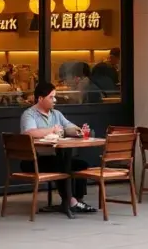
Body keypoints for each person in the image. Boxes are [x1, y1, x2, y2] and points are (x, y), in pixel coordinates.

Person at [19, 81, 96, 213]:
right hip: (34, 160)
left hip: (54, 157)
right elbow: (29, 133)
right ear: (40, 98)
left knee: (80, 165)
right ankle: (70, 201)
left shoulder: (56, 114)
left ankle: (78, 200)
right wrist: (52, 130)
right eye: (51, 97)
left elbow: (68, 126)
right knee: (62, 166)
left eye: (55, 97)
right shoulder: (29, 114)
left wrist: (79, 131)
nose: (54, 100)